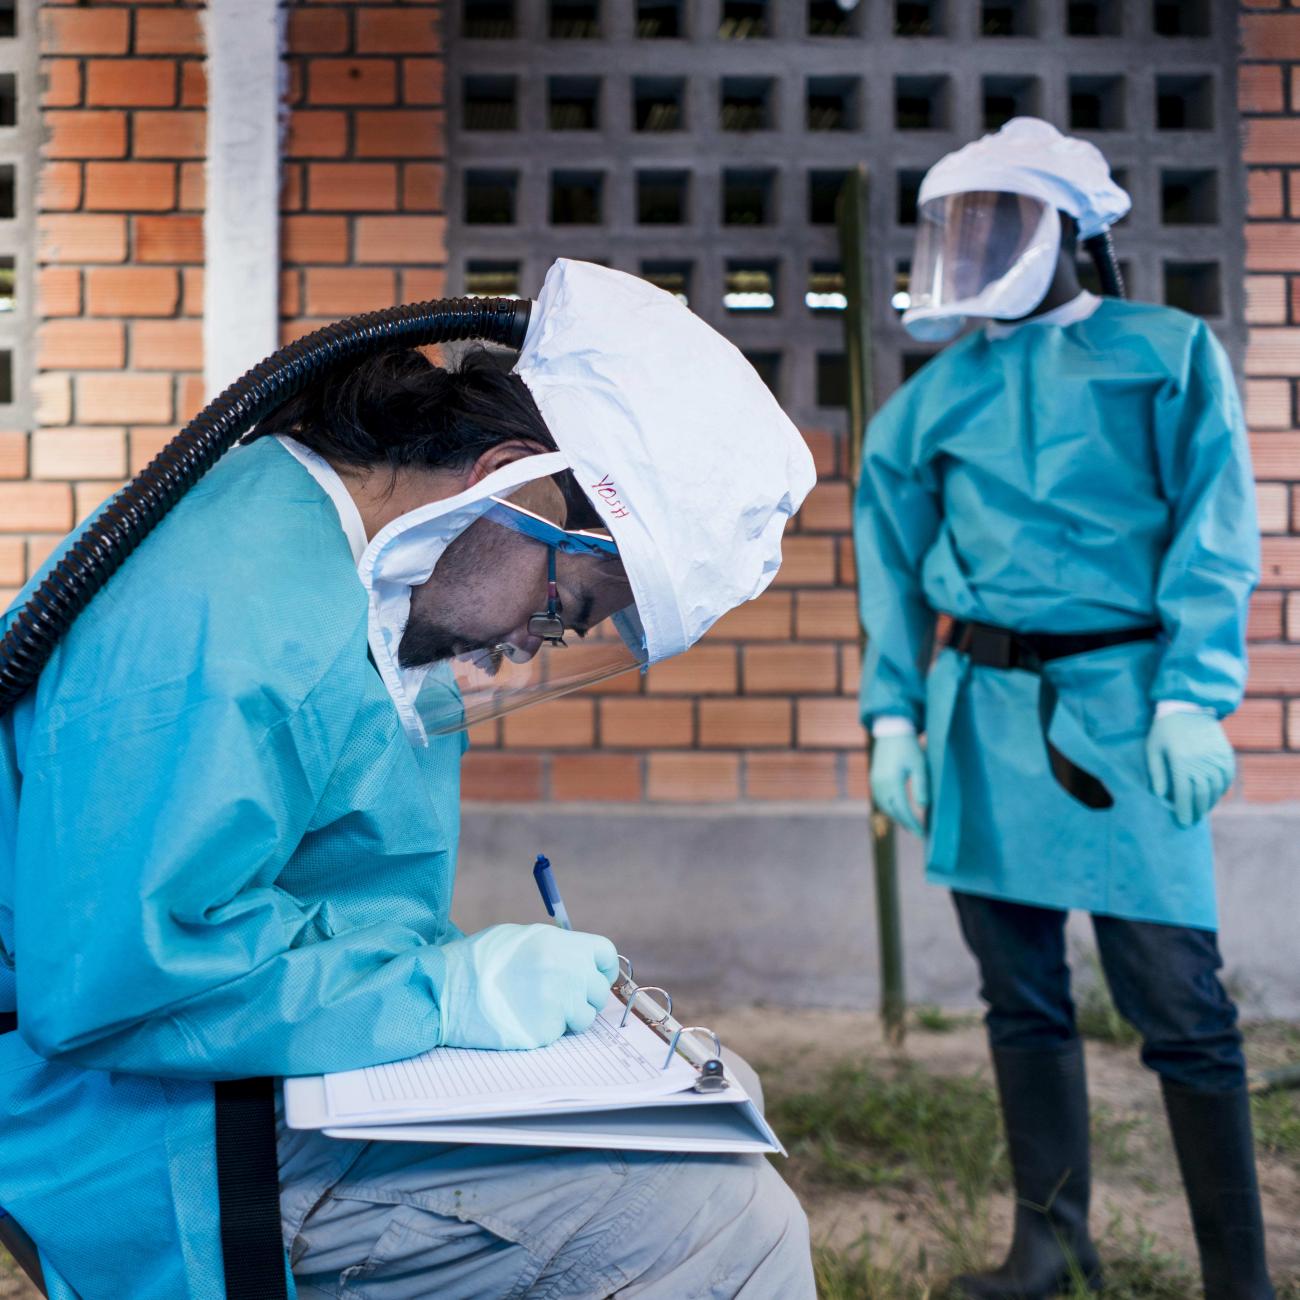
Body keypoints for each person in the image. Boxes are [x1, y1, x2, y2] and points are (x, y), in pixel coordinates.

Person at [0, 260, 817, 1299]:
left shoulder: (354, 571)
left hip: (250, 1060)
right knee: (714, 1227)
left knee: (706, 1111)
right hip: (139, 1110)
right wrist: (443, 989)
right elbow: (118, 980)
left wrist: (448, 983)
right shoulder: (228, 623)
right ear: (509, 479)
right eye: (566, 602)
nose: (535, 643)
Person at [854, 119, 1273, 1300]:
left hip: (1129, 708)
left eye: (1001, 224)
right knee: (1018, 994)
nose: (975, 249)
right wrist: (893, 720)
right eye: (959, 228)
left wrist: (1195, 695)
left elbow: (1213, 531)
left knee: (1181, 1004)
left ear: (1070, 234)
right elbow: (888, 566)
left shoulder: (1168, 353)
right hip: (980, 712)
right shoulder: (934, 401)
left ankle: (1238, 1277)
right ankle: (1050, 1241)